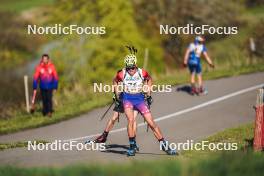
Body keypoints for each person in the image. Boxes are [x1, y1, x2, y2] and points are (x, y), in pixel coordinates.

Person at [113, 53, 177, 156]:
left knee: (151, 122)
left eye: (133, 67)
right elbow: (115, 81)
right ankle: (132, 146)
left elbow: (149, 79)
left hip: (139, 99)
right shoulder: (122, 74)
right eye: (128, 68)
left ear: (136, 65)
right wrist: (117, 95)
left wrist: (149, 94)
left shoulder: (142, 72)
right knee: (131, 120)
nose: (131, 70)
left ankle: (165, 146)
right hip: (127, 98)